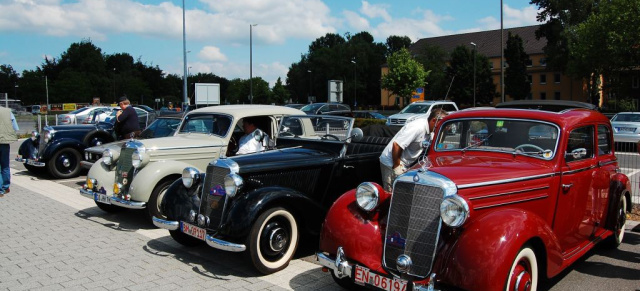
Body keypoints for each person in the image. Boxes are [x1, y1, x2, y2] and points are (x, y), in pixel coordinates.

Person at [379, 108, 447, 192]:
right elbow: (397, 145)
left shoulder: (430, 130)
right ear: (434, 120)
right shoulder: (417, 127)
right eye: (441, 125)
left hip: (406, 164)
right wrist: (397, 167)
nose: (442, 128)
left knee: (404, 192)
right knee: (393, 192)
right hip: (391, 162)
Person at [0, 107, 18, 197]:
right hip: (5, 142)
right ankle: (6, 187)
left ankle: (0, 190)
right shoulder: (7, 111)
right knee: (5, 165)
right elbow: (15, 127)